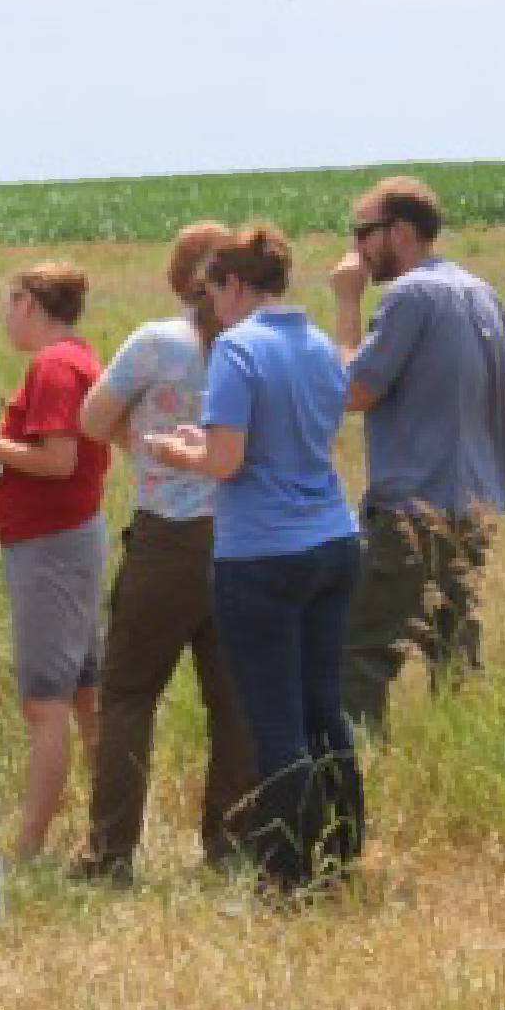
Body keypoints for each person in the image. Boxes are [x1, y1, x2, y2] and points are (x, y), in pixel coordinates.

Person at [148, 226, 364, 898]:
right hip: (332, 540)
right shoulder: (319, 347)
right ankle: (344, 852)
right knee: (323, 710)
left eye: (208, 292)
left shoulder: (238, 348)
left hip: (262, 553)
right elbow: (290, 434)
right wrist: (207, 441)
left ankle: (286, 878)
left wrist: (178, 451)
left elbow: (226, 462)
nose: (207, 306)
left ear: (235, 285)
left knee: (273, 722)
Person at [75, 222, 255, 882]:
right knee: (232, 698)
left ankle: (110, 851)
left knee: (127, 692)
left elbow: (93, 420)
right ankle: (231, 844)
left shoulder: (154, 345)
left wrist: (147, 451)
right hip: (242, 533)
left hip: (168, 532)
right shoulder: (254, 347)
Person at [329, 175, 505, 728]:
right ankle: (461, 767)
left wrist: (345, 303)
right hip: (473, 504)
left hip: (414, 509)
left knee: (358, 654)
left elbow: (353, 391)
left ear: (401, 232)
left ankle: (355, 777)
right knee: (454, 653)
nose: (357, 249)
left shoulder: (409, 296)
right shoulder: (483, 294)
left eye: (363, 233)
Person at [0, 262, 111, 863]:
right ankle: (109, 827)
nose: (5, 315)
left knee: (45, 701)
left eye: (9, 301)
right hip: (68, 539)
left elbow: (58, 461)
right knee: (82, 692)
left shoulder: (52, 366)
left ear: (29, 303)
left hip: (51, 546)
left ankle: (27, 848)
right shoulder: (77, 358)